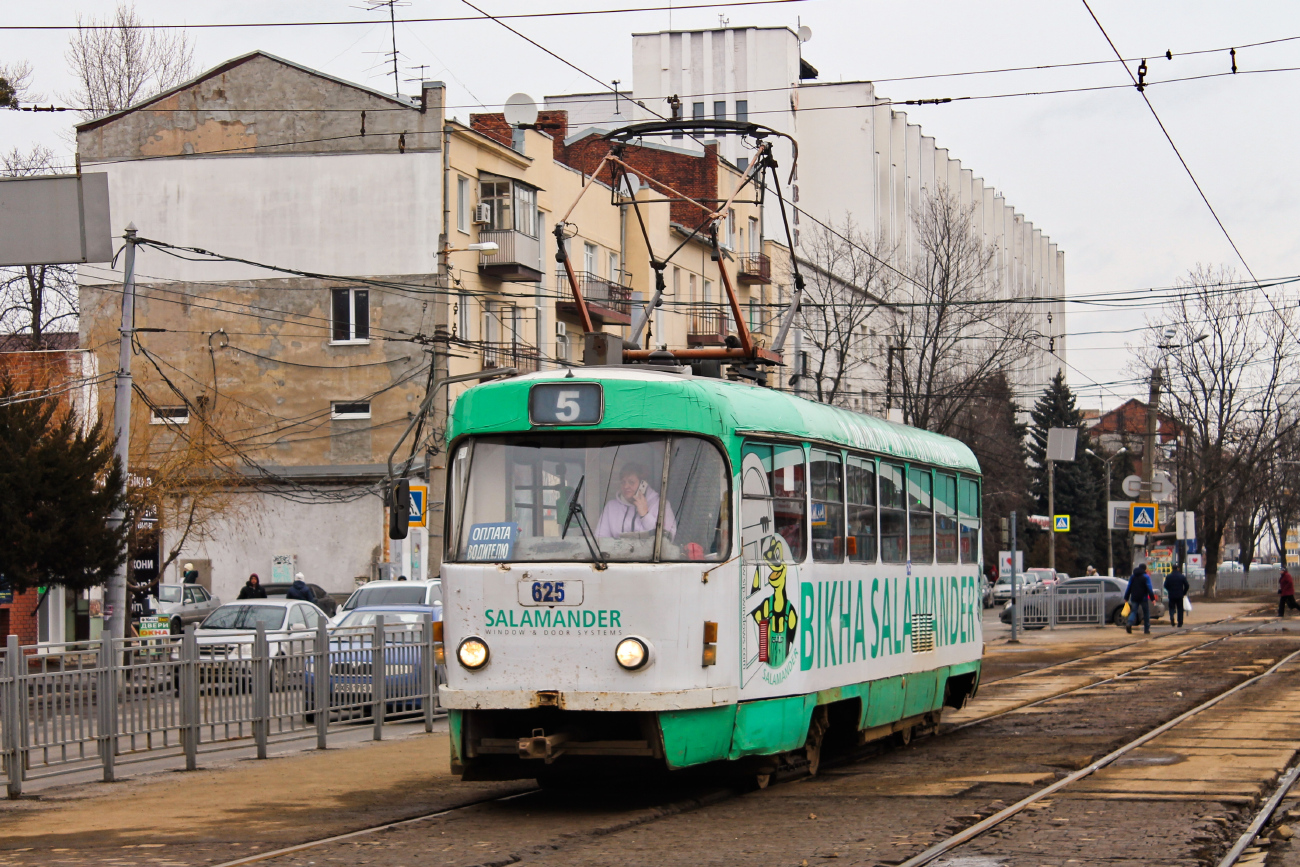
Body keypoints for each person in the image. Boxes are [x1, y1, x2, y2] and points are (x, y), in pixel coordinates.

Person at [595, 464, 677, 540]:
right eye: (623, 482)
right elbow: (600, 538)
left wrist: (645, 516)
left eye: (631, 482)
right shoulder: (611, 507)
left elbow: (668, 538)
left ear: (643, 484)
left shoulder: (661, 505)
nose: (626, 486)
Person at [1125, 563, 1156, 634]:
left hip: (1134, 597)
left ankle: (1129, 624)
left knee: (1133, 611)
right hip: (1143, 597)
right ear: (1144, 569)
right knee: (1146, 613)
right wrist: (1152, 599)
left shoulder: (1133, 576)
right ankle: (1146, 629)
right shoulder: (1146, 577)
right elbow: (1149, 588)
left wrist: (1126, 597)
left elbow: (1129, 587)